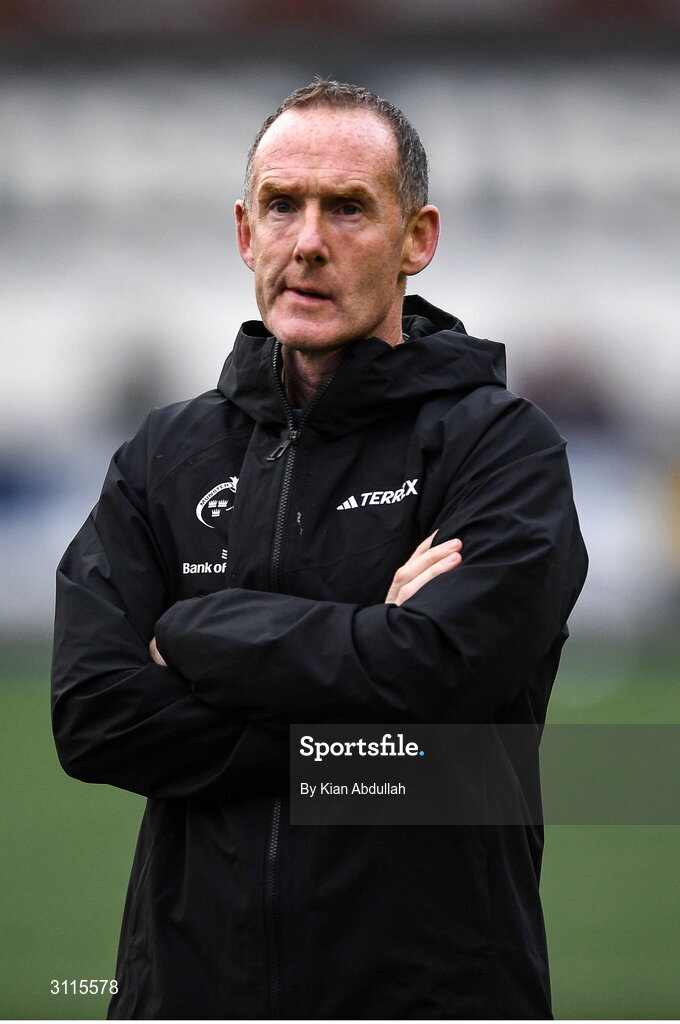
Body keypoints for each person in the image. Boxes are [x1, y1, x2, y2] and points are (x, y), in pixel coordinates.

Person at [51, 80, 588, 1020]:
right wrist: (371, 686)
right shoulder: (163, 459)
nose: (309, 242)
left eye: (348, 208)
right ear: (243, 232)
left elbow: (443, 672)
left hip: (434, 994)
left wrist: (196, 632)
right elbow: (95, 713)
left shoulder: (500, 447)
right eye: (282, 206)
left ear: (417, 238)